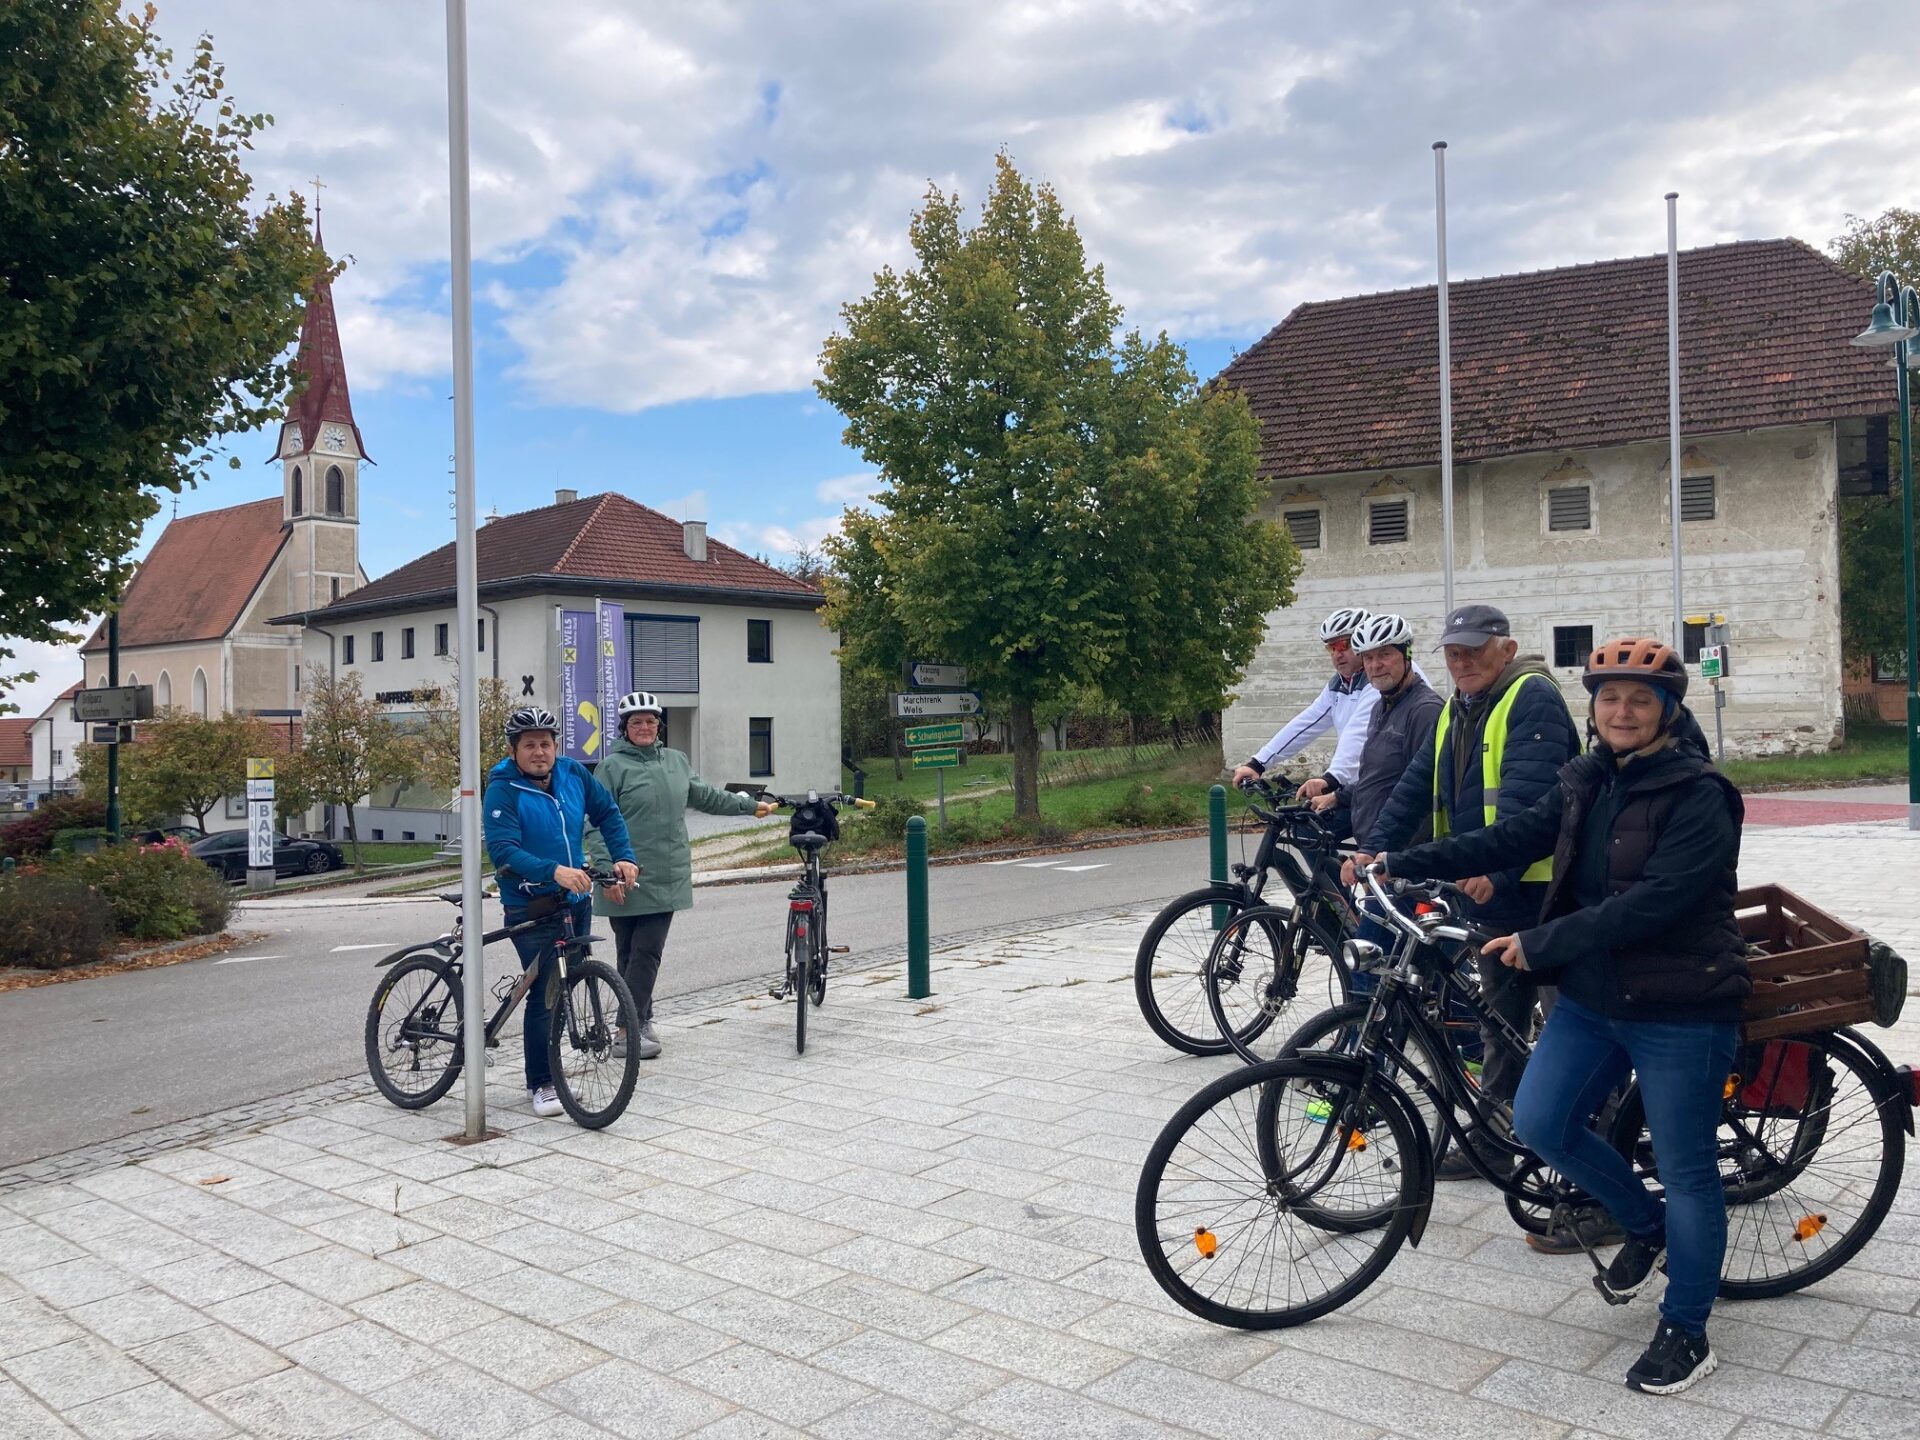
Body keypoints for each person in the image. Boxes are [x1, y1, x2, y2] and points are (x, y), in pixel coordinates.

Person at [1374, 637, 1747, 1396]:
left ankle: (1688, 1328)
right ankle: (1644, 1228)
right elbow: (1515, 835)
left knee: (1687, 1168)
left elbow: (1655, 903)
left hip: (1681, 1005)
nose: (1622, 711)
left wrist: (1539, 942)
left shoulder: (1703, 793)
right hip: (1595, 997)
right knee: (1541, 1123)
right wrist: (1404, 859)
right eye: (1610, 698)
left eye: (1640, 700)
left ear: (1668, 712)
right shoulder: (1587, 778)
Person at [1350, 603, 1580, 1181]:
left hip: (1545, 893)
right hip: (1491, 894)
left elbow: (1533, 805)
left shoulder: (1531, 698)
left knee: (1569, 1028)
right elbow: (1409, 790)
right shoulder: (1460, 706)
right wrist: (1371, 850)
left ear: (1506, 648)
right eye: (1453, 653)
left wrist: (1497, 872)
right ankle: (1498, 1140)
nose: (1462, 661)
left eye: (1474, 650)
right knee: (1498, 1019)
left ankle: (1590, 1153)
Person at [586, 691, 775, 1059]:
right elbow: (595, 822)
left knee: (647, 951)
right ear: (625, 728)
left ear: (659, 725)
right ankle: (642, 1019)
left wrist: (751, 806)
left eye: (651, 721)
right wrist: (606, 873)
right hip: (622, 873)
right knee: (628, 951)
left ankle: (627, 1028)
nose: (644, 727)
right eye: (636, 722)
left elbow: (705, 796)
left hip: (666, 872)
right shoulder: (610, 767)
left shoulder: (675, 761)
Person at [481, 706, 639, 1118]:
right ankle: (542, 1083)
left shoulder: (573, 774)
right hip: (529, 902)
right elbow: (503, 851)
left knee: (571, 979)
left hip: (574, 901)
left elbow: (607, 813)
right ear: (514, 750)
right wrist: (554, 871)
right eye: (529, 744)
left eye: (546, 743)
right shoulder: (503, 788)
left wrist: (623, 856)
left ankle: (557, 1069)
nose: (539, 752)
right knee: (547, 990)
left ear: (556, 746)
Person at [1231, 607, 1379, 803]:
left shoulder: (1378, 683)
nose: (1337, 654)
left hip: (1382, 788)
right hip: (1356, 786)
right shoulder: (1340, 684)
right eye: (1331, 648)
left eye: (1343, 645)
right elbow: (1306, 722)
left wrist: (1332, 778)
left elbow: (1358, 733)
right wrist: (1258, 763)